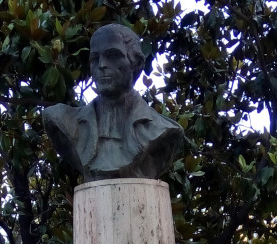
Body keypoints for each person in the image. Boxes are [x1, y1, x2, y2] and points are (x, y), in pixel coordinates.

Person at [43, 24, 183, 181]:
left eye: (113, 55)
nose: (102, 65)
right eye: (95, 58)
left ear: (136, 63)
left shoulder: (163, 130)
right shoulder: (62, 120)